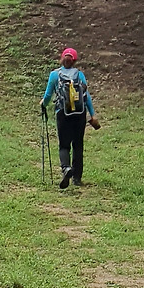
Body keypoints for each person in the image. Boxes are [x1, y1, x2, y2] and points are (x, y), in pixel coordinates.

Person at [41, 47, 100, 190]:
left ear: (62, 59)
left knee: (64, 145)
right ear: (74, 61)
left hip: (63, 113)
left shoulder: (55, 75)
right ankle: (77, 178)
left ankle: (66, 168)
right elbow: (86, 97)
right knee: (78, 145)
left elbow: (48, 95)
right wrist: (92, 114)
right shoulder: (79, 75)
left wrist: (43, 104)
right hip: (79, 114)